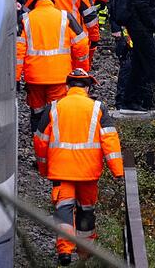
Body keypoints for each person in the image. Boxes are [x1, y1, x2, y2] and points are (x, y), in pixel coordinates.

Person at [33, 69, 124, 266]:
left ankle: (64, 252)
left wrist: (43, 168)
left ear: (67, 87)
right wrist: (117, 170)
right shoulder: (98, 108)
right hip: (88, 172)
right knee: (86, 210)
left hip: (61, 171)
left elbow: (40, 141)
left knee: (64, 209)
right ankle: (85, 252)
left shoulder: (54, 108)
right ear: (87, 88)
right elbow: (110, 140)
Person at [17, 0, 89, 133]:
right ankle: (54, 139)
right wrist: (80, 70)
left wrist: (16, 78)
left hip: (34, 78)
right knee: (56, 112)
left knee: (37, 112)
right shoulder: (65, 17)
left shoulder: (25, 20)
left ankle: (38, 139)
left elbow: (18, 51)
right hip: (59, 77)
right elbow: (82, 43)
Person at [109, 0, 150, 109]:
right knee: (127, 67)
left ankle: (139, 100)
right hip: (127, 30)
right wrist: (115, 29)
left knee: (142, 67)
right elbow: (114, 3)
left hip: (144, 30)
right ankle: (122, 101)